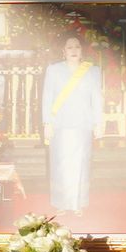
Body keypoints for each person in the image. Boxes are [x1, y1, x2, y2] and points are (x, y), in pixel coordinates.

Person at [40, 29, 100, 216]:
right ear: (63, 51)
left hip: (83, 124)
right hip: (60, 124)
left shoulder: (93, 71)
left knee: (81, 163)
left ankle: (78, 203)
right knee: (60, 164)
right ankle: (61, 203)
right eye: (69, 47)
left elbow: (97, 98)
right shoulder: (53, 70)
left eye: (77, 46)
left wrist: (98, 123)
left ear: (82, 50)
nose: (73, 50)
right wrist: (47, 123)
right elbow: (47, 97)